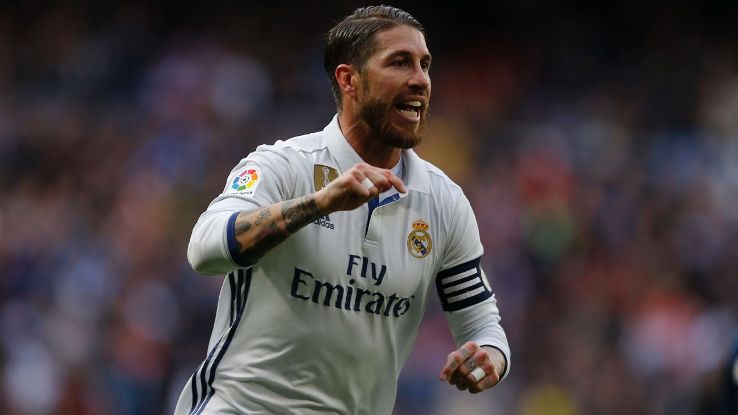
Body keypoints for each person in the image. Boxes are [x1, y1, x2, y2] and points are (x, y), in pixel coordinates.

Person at [174, 5, 511, 414]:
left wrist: (489, 359)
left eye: (424, 65)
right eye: (399, 63)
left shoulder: (442, 201)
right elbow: (205, 251)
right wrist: (318, 204)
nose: (420, 79)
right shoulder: (283, 166)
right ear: (349, 79)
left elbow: (481, 323)